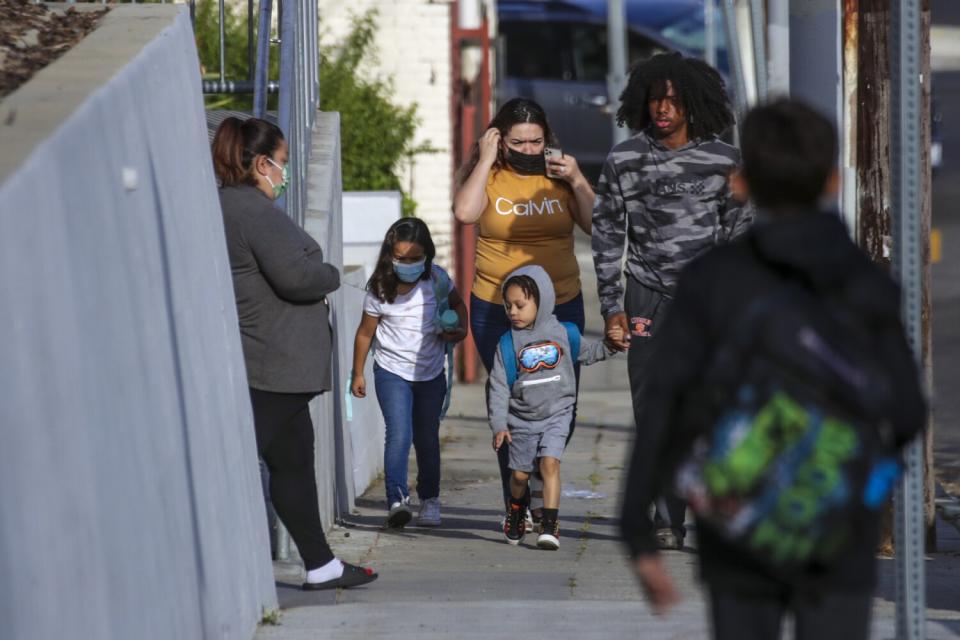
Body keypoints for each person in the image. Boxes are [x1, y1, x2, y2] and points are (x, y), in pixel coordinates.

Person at [619, 99, 926, 640]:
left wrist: (638, 531)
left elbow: (666, 400)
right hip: (836, 527)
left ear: (740, 184)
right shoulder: (866, 284)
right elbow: (905, 411)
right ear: (833, 180)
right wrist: (865, 493)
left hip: (736, 525)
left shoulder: (711, 281)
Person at [592, 52, 751, 550]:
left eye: (674, 100)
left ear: (692, 103)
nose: (663, 108)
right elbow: (606, 232)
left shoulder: (724, 160)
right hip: (646, 297)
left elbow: (741, 233)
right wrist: (611, 305)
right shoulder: (625, 159)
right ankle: (668, 519)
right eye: (655, 99)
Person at [212, 116, 377, 590]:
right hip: (272, 363)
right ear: (261, 163)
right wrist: (327, 273)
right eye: (281, 163)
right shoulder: (252, 210)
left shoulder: (233, 206)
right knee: (245, 457)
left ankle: (321, 565)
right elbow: (297, 277)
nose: (284, 174)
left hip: (277, 363)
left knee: (293, 465)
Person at [453, 97, 595, 522]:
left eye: (536, 141)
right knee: (511, 400)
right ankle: (517, 498)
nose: (529, 149)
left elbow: (596, 223)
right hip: (497, 306)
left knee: (561, 400)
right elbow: (464, 212)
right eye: (519, 141)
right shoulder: (490, 175)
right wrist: (486, 157)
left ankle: (536, 472)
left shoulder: (558, 176)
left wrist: (579, 178)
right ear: (501, 138)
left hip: (561, 306)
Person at [487, 266, 617, 549]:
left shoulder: (564, 333)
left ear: (542, 300)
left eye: (520, 305)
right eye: (508, 306)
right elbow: (498, 388)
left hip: (558, 413)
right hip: (521, 419)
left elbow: (589, 353)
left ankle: (550, 523)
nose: (513, 311)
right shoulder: (507, 344)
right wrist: (499, 425)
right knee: (519, 476)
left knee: (550, 464)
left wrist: (612, 345)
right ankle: (517, 508)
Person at [351, 218, 468, 528]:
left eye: (415, 259)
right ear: (390, 255)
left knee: (427, 438)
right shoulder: (379, 288)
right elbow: (364, 334)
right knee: (399, 434)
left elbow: (458, 305)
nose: (407, 265)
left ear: (427, 254)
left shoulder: (438, 280)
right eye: (400, 259)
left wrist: (460, 330)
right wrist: (357, 373)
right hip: (391, 372)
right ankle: (397, 500)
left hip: (430, 374)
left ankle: (430, 499)